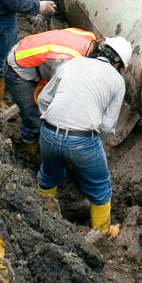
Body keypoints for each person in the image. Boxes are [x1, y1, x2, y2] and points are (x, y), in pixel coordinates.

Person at [37, 35, 132, 237]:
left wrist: (54, 125)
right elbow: (107, 124)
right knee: (100, 187)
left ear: (101, 49)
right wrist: (90, 145)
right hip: (82, 140)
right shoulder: (117, 81)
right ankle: (102, 233)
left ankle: (41, 218)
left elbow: (44, 99)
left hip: (47, 132)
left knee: (48, 175)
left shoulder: (75, 62)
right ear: (119, 64)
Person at [5, 27, 97, 163]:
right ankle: (30, 151)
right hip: (17, 70)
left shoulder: (90, 37)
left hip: (29, 51)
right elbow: (51, 95)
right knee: (34, 118)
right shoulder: (68, 62)